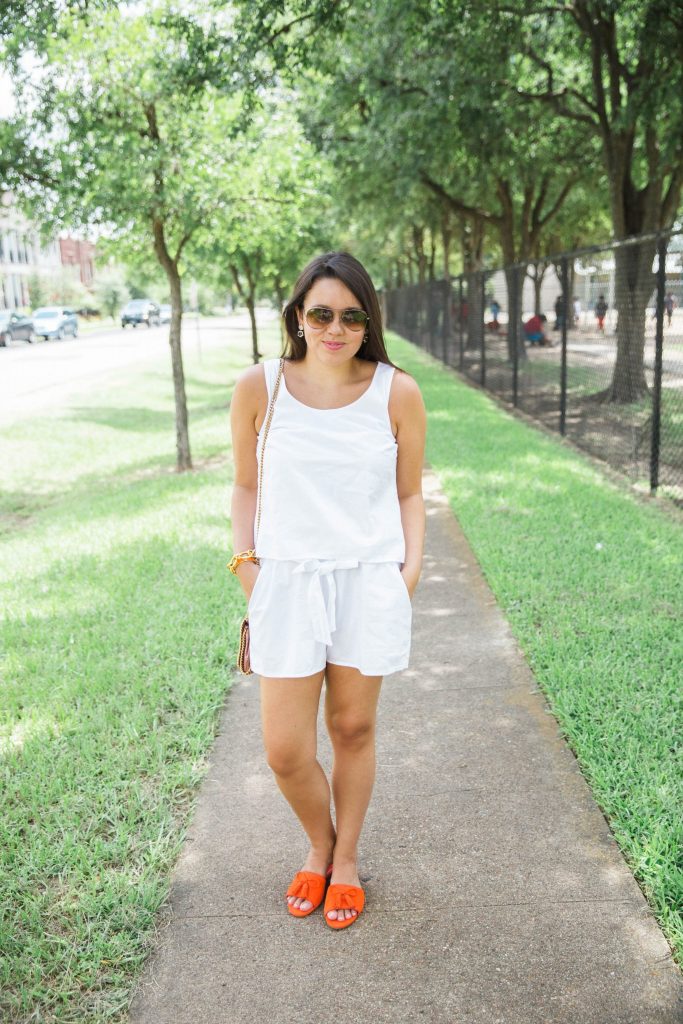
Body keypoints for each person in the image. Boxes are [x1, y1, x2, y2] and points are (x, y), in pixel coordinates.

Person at [229, 251, 427, 930]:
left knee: (351, 727)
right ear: (297, 317)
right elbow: (245, 485)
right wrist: (245, 564)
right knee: (285, 751)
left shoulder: (395, 391)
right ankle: (318, 842)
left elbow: (409, 494)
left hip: (367, 580)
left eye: (350, 315)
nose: (335, 327)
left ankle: (343, 861)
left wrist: (409, 573)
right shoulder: (261, 387)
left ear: (368, 322)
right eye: (321, 313)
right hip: (285, 583)